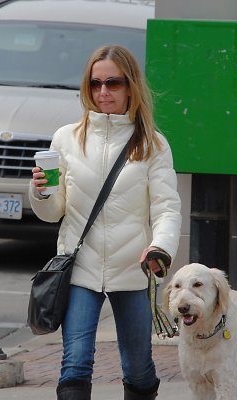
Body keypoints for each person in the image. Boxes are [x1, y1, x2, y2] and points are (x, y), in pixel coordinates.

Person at [29, 44, 182, 400]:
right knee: (75, 365)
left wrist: (161, 247)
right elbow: (53, 213)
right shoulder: (66, 139)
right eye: (95, 83)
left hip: (132, 269)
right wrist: (41, 192)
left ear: (130, 86)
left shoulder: (153, 145)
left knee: (139, 369)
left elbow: (166, 208)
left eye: (113, 83)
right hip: (80, 267)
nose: (103, 92)